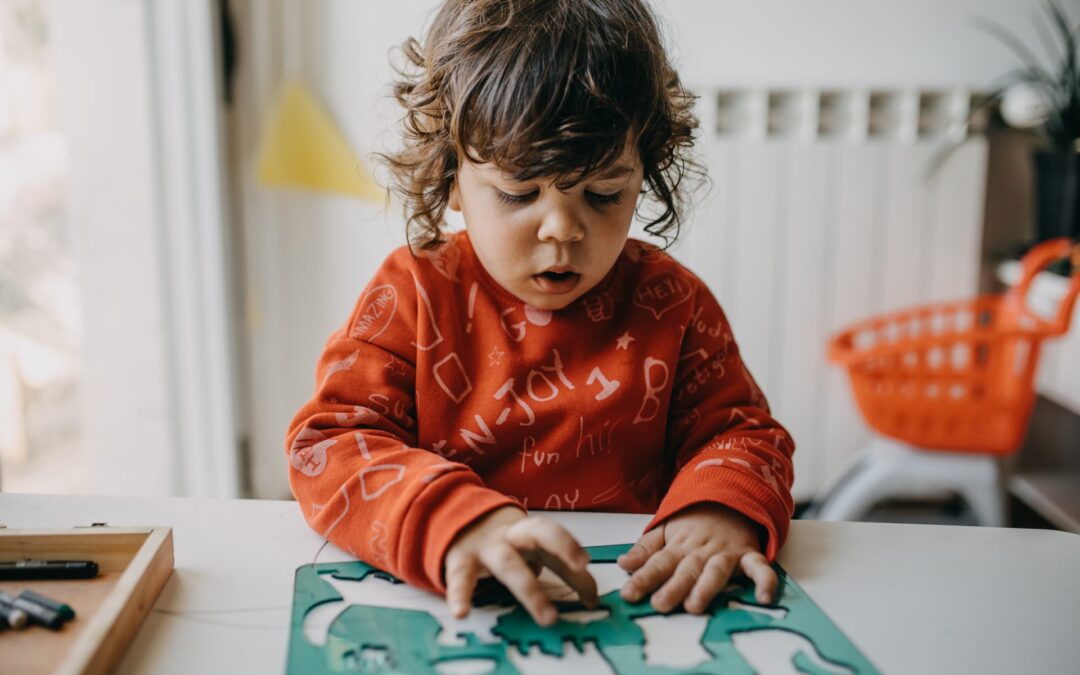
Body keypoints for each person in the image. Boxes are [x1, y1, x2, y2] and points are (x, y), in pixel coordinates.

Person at [286, 0, 794, 628]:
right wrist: (456, 521)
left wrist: (720, 510)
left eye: (604, 193)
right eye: (519, 192)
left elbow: (741, 434)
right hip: (452, 609)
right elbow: (330, 445)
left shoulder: (674, 303)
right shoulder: (412, 296)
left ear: (646, 174)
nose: (562, 229)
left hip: (635, 610)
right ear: (451, 176)